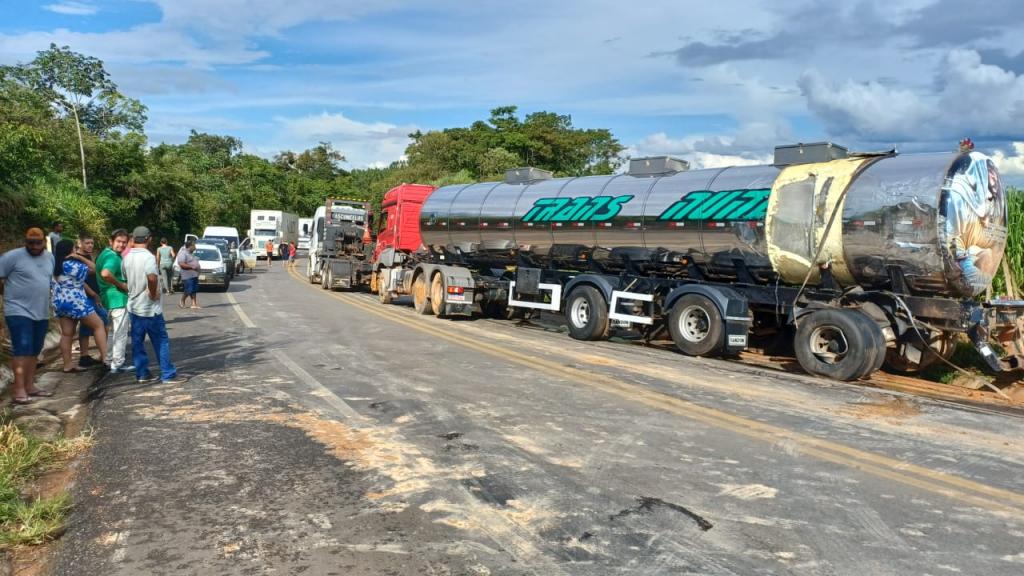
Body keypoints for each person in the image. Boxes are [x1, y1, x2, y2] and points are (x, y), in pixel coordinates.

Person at [123, 226, 186, 385]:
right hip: (150, 309)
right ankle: (167, 374)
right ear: (148, 239)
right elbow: (152, 278)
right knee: (160, 341)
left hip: (133, 306)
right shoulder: (148, 257)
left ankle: (142, 374)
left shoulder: (127, 257)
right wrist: (152, 293)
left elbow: (125, 278)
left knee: (137, 342)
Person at [0, 228, 56, 404]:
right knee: (22, 348)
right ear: (25, 241)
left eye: (37, 242)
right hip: (17, 310)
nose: (33, 246)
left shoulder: (50, 257)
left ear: (43, 242)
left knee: (35, 349)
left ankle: (30, 385)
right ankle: (19, 390)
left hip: (41, 311)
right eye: (29, 242)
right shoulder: (11, 257)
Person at [51, 239, 108, 373]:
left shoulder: (54, 266)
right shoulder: (72, 265)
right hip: (76, 302)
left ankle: (68, 365)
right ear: (70, 250)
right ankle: (106, 359)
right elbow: (96, 269)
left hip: (60, 302)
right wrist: (78, 257)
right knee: (98, 325)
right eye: (74, 249)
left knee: (66, 334)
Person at [97, 229, 131, 374]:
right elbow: (106, 273)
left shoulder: (104, 254)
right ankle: (118, 364)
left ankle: (109, 360)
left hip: (107, 299)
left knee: (112, 333)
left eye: (124, 242)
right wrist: (122, 285)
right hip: (118, 299)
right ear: (111, 241)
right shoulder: (113, 258)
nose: (121, 245)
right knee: (120, 333)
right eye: (118, 241)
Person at [75, 234, 108, 368]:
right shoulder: (76, 258)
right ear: (79, 243)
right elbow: (84, 277)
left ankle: (84, 356)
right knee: (103, 322)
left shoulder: (87, 256)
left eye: (92, 243)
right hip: (87, 296)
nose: (90, 245)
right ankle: (105, 354)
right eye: (87, 243)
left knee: (86, 327)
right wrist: (94, 294)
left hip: (92, 294)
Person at [176, 240, 200, 309]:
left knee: (194, 289)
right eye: (194, 245)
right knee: (189, 289)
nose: (195, 247)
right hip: (187, 275)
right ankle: (182, 300)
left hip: (194, 275)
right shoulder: (183, 253)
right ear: (190, 246)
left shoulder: (190, 253)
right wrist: (192, 267)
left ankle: (194, 304)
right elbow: (181, 264)